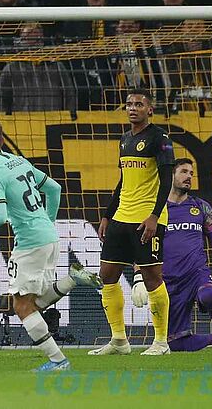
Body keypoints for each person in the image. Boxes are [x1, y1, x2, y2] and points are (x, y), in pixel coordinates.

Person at [0, 119, 103, 371]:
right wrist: (47, 222)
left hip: (30, 242)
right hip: (49, 238)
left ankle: (58, 361)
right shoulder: (19, 161)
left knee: (21, 307)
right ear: (2, 141)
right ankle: (72, 279)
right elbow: (54, 189)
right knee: (34, 302)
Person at [90, 88, 174, 356]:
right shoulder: (125, 139)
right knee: (107, 275)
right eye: (129, 104)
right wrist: (107, 214)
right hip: (121, 217)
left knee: (152, 277)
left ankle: (161, 342)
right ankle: (119, 340)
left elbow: (167, 180)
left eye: (138, 104)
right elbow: (123, 181)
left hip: (147, 218)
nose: (132, 108)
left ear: (150, 110)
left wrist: (155, 216)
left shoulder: (159, 138)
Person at [133, 158, 212, 352]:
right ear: (170, 176)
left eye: (191, 173)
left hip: (196, 273)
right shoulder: (154, 210)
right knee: (174, 343)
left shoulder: (201, 206)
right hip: (166, 280)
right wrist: (138, 277)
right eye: (184, 172)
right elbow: (141, 245)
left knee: (209, 296)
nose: (189, 177)